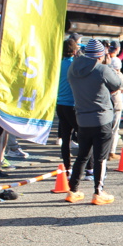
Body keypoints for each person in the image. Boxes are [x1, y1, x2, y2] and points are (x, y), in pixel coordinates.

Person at [66, 39, 123, 205]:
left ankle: (73, 190)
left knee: (82, 156)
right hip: (102, 118)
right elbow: (118, 84)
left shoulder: (73, 68)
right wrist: (110, 68)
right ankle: (98, 192)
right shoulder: (102, 69)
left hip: (82, 118)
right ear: (100, 55)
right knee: (100, 158)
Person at [56, 39, 79, 171]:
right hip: (73, 103)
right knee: (82, 135)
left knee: (65, 137)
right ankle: (88, 167)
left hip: (60, 103)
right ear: (75, 51)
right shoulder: (74, 65)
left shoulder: (58, 64)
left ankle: (67, 166)